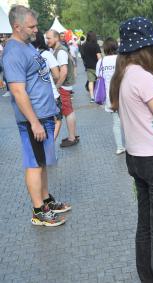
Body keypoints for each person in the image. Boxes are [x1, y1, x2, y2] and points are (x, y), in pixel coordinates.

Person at [109, 17, 153, 282]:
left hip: (136, 158)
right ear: (147, 47)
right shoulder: (145, 78)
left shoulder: (123, 76)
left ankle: (147, 277)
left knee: (146, 226)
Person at [2, 5, 71, 227]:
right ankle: (38, 211)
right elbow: (18, 91)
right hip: (34, 119)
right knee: (34, 163)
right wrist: (33, 122)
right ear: (17, 26)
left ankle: (45, 200)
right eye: (31, 27)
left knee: (42, 162)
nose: (35, 30)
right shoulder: (13, 52)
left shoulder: (27, 45)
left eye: (36, 25)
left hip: (44, 115)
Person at [46, 29, 79, 147]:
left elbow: (63, 72)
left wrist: (56, 87)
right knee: (68, 111)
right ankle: (73, 136)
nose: (47, 40)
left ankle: (72, 138)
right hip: (64, 85)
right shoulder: (58, 50)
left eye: (49, 38)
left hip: (63, 86)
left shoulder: (60, 52)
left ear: (56, 38)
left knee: (67, 112)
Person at [95, 37, 125, 155]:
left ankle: (119, 147)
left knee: (116, 122)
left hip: (109, 95)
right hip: (123, 93)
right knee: (129, 119)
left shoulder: (101, 62)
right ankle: (132, 144)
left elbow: (99, 77)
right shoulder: (120, 59)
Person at [31, 32, 62, 140]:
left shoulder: (29, 54)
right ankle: (50, 145)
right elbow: (57, 75)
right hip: (51, 93)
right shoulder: (47, 54)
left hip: (35, 96)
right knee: (57, 120)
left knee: (41, 122)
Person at [81, 31, 101, 102]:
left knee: (91, 81)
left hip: (88, 66)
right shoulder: (96, 45)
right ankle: (99, 95)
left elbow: (82, 56)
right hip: (96, 66)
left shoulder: (84, 45)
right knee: (99, 80)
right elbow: (98, 56)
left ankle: (92, 97)